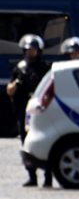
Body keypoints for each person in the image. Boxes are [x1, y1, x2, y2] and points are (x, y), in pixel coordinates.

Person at [7, 35, 53, 187]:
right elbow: (9, 90)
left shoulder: (46, 67)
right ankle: (32, 176)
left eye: (33, 50)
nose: (30, 52)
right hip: (23, 110)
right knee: (26, 143)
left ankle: (48, 178)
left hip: (40, 109)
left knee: (46, 142)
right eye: (28, 50)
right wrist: (17, 83)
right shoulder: (19, 67)